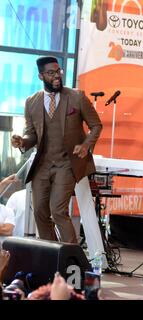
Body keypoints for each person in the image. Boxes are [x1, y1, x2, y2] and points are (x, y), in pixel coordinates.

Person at [11, 56, 103, 244]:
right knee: (39, 212)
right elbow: (31, 134)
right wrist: (23, 142)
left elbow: (96, 125)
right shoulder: (32, 102)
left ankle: (71, 257)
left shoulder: (77, 97)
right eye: (51, 73)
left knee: (58, 211)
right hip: (42, 165)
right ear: (41, 76)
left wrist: (86, 145)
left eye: (58, 71)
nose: (57, 76)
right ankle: (51, 255)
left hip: (67, 163)